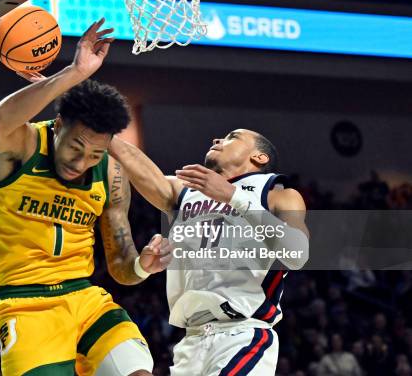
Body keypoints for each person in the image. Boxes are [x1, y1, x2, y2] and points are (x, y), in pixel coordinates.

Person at [0, 19, 170, 375]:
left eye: (94, 154)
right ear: (57, 127)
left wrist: (143, 266)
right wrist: (75, 72)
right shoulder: (23, 147)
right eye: (75, 147)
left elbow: (120, 266)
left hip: (85, 299)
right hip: (26, 304)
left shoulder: (111, 173)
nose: (81, 162)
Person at [108, 129, 310, 375]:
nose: (217, 140)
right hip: (190, 342)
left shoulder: (277, 194)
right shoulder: (185, 192)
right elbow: (134, 162)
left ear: (260, 157)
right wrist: (101, 128)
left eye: (232, 137)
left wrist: (233, 197)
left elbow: (298, 254)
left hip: (242, 335)